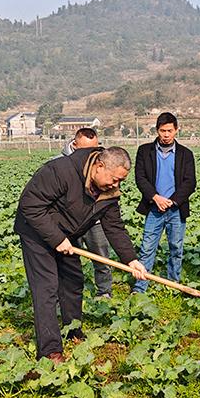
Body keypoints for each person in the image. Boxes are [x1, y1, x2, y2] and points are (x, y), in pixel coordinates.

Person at [14, 146, 147, 363]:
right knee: (46, 288)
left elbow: (114, 226)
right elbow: (30, 205)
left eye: (121, 181)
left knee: (73, 281)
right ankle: (50, 350)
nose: (116, 185)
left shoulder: (108, 190)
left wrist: (131, 259)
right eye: (114, 179)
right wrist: (56, 238)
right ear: (99, 166)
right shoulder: (60, 171)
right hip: (36, 232)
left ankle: (72, 330)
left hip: (67, 235)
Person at [133, 112, 197, 293]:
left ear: (176, 130)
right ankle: (140, 287)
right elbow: (140, 178)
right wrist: (155, 197)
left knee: (176, 248)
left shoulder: (186, 154)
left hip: (176, 209)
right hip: (154, 207)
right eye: (163, 131)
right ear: (157, 130)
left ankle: (173, 284)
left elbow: (190, 182)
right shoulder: (145, 151)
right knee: (147, 247)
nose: (166, 135)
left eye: (170, 130)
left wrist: (173, 201)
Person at [55, 127, 113, 298]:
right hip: (68, 223)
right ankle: (69, 294)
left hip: (94, 220)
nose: (90, 154)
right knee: (68, 260)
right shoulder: (58, 164)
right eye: (86, 149)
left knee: (102, 257)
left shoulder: (101, 164)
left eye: (94, 149)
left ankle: (104, 292)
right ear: (74, 144)